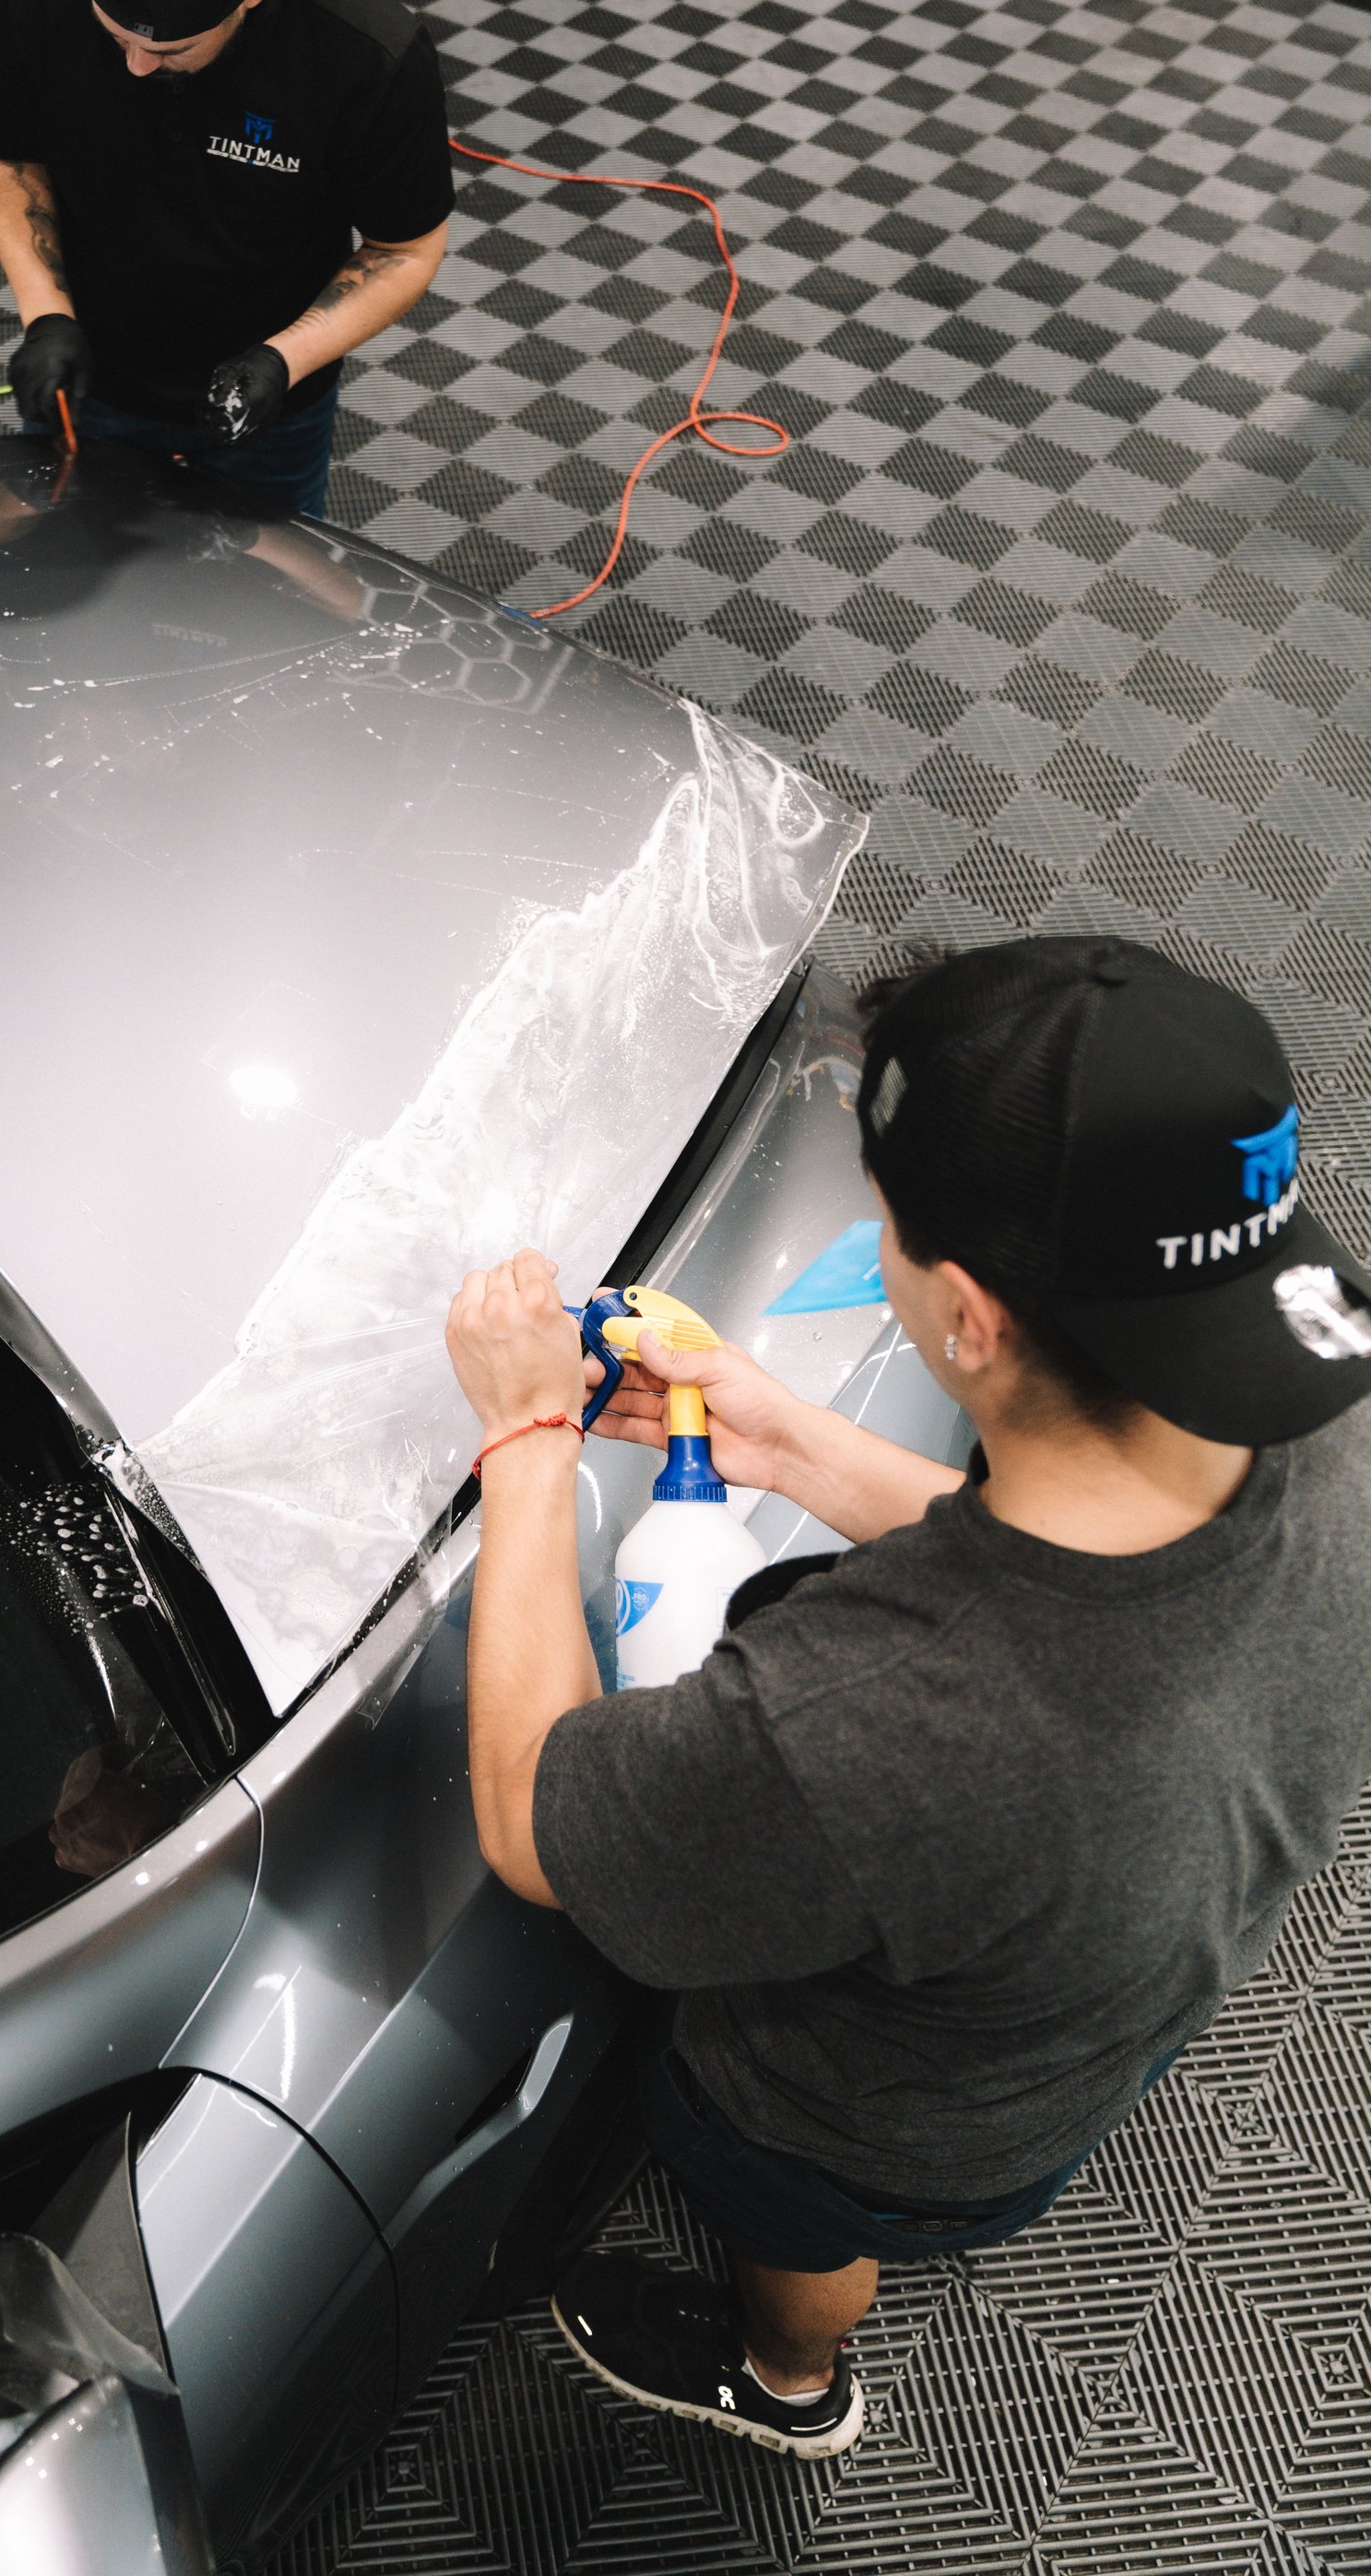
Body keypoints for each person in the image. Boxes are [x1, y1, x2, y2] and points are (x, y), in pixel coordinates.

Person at [444, 937, 1371, 2461]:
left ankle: (784, 2382)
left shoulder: (870, 1724)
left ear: (973, 1319)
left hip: (877, 2120)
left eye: (884, 1219)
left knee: (797, 2223)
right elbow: (1093, 1549)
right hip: (1123, 1978)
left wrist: (529, 1435)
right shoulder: (1319, 1392)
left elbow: (532, 1818)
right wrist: (795, 1446)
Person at [0, 0, 453, 518]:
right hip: (89, 369)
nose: (134, 66)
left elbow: (405, 248)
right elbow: (5, 156)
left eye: (170, 49)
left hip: (267, 395)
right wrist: (46, 315)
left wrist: (283, 360)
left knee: (260, 607)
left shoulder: (367, 54)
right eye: (115, 39)